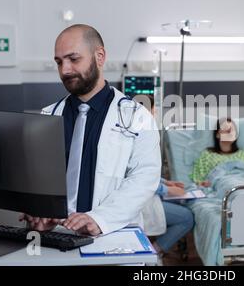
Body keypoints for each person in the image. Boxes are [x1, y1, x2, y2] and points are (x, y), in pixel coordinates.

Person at [20, 24, 161, 236]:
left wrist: (100, 219)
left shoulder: (137, 117)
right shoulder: (47, 117)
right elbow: (37, 179)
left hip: (112, 233)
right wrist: (39, 211)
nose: (65, 70)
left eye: (73, 59)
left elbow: (144, 178)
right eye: (59, 62)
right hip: (57, 234)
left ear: (100, 57)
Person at [140, 95, 194, 258]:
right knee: (187, 218)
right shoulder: (137, 137)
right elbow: (137, 179)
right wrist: (166, 189)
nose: (155, 113)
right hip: (141, 200)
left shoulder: (143, 133)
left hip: (149, 192)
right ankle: (153, 252)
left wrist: (167, 182)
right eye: (154, 110)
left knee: (186, 202)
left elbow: (147, 171)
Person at [191, 117, 244, 186]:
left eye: (232, 130)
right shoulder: (208, 155)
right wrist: (203, 183)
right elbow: (198, 179)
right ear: (217, 134)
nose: (230, 132)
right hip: (227, 183)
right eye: (226, 130)